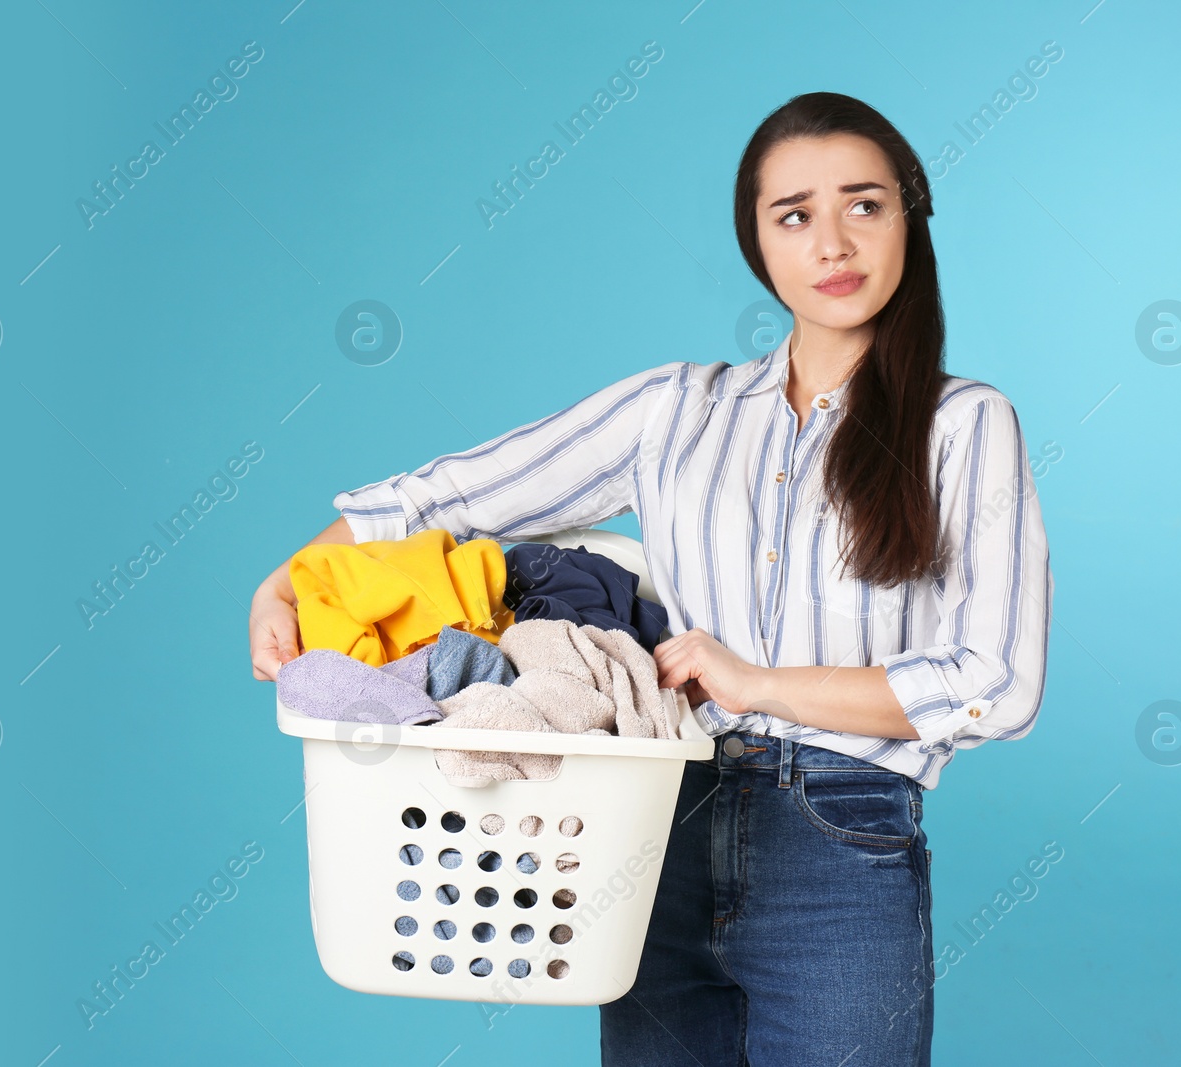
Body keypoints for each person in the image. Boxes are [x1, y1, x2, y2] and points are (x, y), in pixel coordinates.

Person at [248, 91, 1053, 1067]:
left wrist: (757, 683)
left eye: (864, 205)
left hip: (839, 843)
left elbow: (995, 685)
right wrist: (290, 580)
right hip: (651, 826)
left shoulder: (963, 425)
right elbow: (445, 498)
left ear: (909, 216)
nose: (832, 242)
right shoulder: (676, 409)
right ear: (758, 244)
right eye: (793, 214)